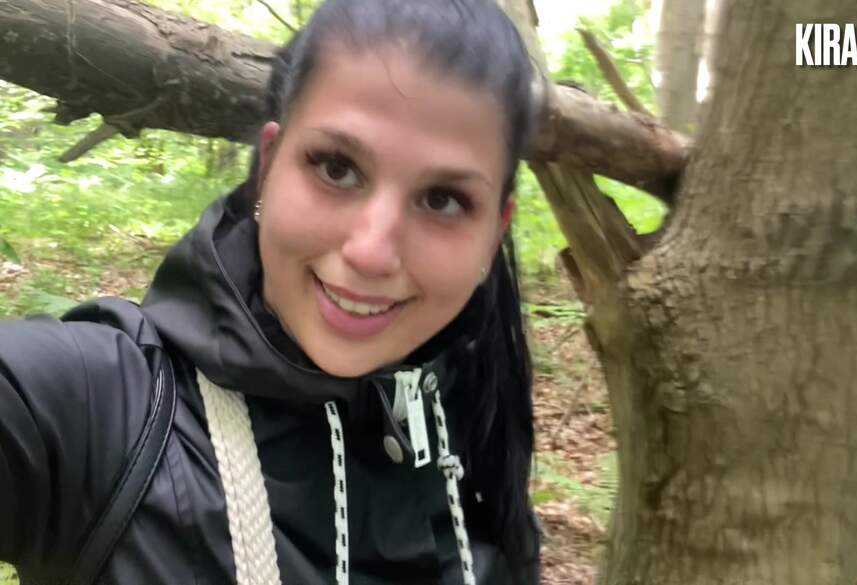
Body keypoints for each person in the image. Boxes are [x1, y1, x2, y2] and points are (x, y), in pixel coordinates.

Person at [0, 0, 541, 583]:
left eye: (442, 200)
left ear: (495, 232)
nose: (371, 252)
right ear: (269, 165)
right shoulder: (104, 415)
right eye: (336, 168)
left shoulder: (477, 421)